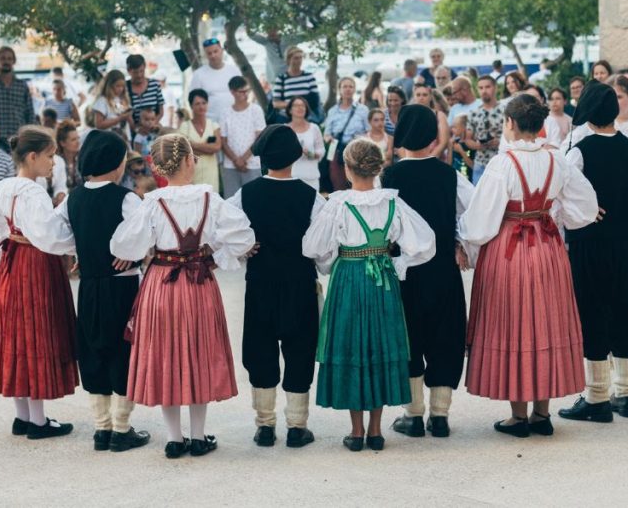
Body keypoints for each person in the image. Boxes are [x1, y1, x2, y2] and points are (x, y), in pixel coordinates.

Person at [459, 95, 597, 437]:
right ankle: (542, 413)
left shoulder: (502, 164)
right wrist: (557, 215)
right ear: (541, 125)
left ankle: (518, 415)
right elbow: (586, 205)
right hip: (548, 246)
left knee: (513, 323)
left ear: (509, 123)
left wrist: (467, 240)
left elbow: (479, 223)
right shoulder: (557, 159)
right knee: (545, 322)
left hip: (510, 247)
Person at [112, 134, 254, 459]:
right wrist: (214, 256)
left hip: (161, 283)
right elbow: (244, 237)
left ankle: (175, 439)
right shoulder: (210, 199)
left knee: (166, 356)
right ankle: (199, 436)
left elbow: (122, 246)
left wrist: (148, 248)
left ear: (160, 167)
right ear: (191, 161)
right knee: (198, 353)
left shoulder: (152, 202)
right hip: (199, 282)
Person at [302, 139, 434, 452]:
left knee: (353, 347)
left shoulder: (338, 203)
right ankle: (376, 430)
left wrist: (329, 263)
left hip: (349, 276)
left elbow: (312, 246)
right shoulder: (392, 203)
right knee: (379, 347)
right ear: (377, 168)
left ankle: (357, 430)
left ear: (347, 169)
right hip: (383, 280)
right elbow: (425, 242)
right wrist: (398, 263)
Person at [558, 84, 628, 424]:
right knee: (624, 312)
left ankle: (596, 398)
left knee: (592, 313)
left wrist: (584, 211)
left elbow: (559, 192)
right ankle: (626, 394)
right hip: (624, 243)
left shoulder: (578, 150)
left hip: (589, 243)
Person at [0, 126, 79, 440]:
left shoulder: (8, 189)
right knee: (36, 333)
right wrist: (73, 243)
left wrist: (1, 251)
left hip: (13, 262)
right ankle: (37, 420)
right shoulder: (33, 192)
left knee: (17, 336)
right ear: (32, 157)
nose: (53, 163)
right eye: (49, 156)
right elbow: (48, 234)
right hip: (35, 264)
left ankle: (23, 416)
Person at [227, 125, 323, 449]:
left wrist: (243, 248)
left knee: (260, 349)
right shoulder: (311, 197)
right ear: (296, 156)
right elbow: (321, 247)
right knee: (300, 349)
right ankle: (297, 426)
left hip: (260, 283)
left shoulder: (245, 195)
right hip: (299, 282)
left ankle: (264, 425)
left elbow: (223, 227)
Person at [382, 105, 473, 439]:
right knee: (444, 336)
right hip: (442, 270)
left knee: (410, 337)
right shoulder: (450, 174)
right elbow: (473, 212)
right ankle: (440, 415)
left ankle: (413, 414)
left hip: (404, 271)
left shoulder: (390, 178)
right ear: (434, 136)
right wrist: (458, 240)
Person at [57, 130, 151, 453]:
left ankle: (102, 428)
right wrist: (134, 252)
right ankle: (122, 429)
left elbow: (57, 234)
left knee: (93, 347)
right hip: (122, 285)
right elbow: (146, 233)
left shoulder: (73, 197)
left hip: (90, 283)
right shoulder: (125, 198)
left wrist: (83, 251)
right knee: (121, 351)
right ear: (116, 163)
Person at [221, 76, 266, 197]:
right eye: (242, 91)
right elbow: (223, 141)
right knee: (230, 203)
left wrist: (243, 159)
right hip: (230, 165)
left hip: (252, 164)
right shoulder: (225, 112)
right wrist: (236, 160)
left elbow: (259, 138)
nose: (245, 94)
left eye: (247, 90)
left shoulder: (256, 110)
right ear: (232, 92)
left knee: (254, 201)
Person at [324, 77, 370, 192]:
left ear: (354, 89)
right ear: (339, 89)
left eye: (351, 86)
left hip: (358, 151)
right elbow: (326, 134)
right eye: (345, 86)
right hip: (338, 151)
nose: (348, 89)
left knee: (359, 185)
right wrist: (331, 139)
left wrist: (360, 138)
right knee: (338, 185)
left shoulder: (363, 110)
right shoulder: (332, 111)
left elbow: (369, 132)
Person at [189, 37, 242, 124]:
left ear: (221, 50)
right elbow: (194, 102)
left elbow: (242, 96)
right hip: (210, 124)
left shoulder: (234, 71)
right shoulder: (198, 75)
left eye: (215, 51)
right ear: (206, 55)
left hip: (234, 122)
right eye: (209, 53)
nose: (213, 55)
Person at [177, 89, 222, 189]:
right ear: (191, 105)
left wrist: (192, 144)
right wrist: (207, 147)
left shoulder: (214, 125)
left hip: (210, 176)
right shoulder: (185, 126)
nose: (201, 106)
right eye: (197, 104)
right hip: (191, 176)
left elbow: (216, 147)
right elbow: (183, 150)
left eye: (204, 103)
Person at [464, 76, 503, 184]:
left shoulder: (506, 110)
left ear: (495, 88)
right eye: (481, 88)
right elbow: (467, 140)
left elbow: (515, 137)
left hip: (501, 162)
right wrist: (478, 145)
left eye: (487, 87)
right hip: (480, 164)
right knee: (479, 199)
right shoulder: (473, 113)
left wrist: (499, 142)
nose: (484, 91)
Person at [284, 97, 323, 191]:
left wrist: (309, 154)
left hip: (311, 178)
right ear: (290, 110)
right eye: (296, 105)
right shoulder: (284, 129)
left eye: (303, 106)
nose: (300, 108)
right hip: (290, 178)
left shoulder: (314, 128)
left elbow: (321, 151)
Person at [271, 47, 320, 117]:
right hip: (287, 117)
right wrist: (294, 105)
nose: (299, 61)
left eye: (301, 58)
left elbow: (315, 100)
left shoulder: (309, 77)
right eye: (296, 58)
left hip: (306, 116)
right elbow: (276, 103)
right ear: (288, 60)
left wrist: (301, 107)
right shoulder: (282, 79)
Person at [91, 69, 133, 141]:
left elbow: (131, 124)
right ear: (110, 85)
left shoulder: (123, 99)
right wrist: (119, 118)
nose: (121, 89)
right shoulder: (102, 101)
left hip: (124, 139)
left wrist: (128, 116)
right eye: (117, 86)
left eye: (122, 86)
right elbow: (99, 124)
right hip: (109, 140)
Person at [412, 86, 451, 163]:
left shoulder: (439, 115)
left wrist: (428, 160)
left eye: (424, 95)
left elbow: (443, 142)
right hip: (412, 161)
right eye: (418, 95)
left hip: (435, 160)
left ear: (430, 97)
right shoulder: (408, 116)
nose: (421, 98)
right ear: (414, 97)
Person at [126, 54, 164, 126]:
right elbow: (125, 113)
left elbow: (161, 111)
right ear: (129, 71)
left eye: (141, 71)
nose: (139, 75)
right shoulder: (125, 88)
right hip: (133, 131)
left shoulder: (155, 85)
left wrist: (152, 124)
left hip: (152, 129)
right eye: (135, 72)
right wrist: (136, 129)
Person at [55, 120, 82, 194]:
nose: (78, 142)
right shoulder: (55, 162)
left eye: (78, 138)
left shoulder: (82, 158)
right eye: (73, 140)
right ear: (62, 143)